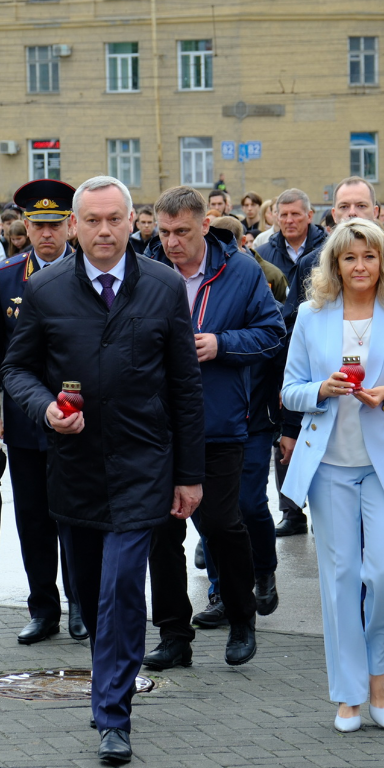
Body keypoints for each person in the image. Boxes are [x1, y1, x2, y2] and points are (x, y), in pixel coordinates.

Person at [0, 176, 205, 765]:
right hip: (77, 466)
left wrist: (189, 474)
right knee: (91, 596)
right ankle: (106, 680)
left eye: (115, 218)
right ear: (74, 226)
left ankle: (113, 714)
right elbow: (18, 371)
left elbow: (186, 388)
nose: (105, 230)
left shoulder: (164, 287)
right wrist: (44, 411)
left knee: (120, 586)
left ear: (131, 219)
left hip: (145, 463)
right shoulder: (45, 290)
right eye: (92, 220)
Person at [280, 218, 384, 732]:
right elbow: (289, 391)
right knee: (341, 578)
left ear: (383, 260)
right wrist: (321, 390)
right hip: (328, 464)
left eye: (369, 256)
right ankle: (349, 691)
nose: (360, 266)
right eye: (349, 257)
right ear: (334, 264)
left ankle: (380, 673)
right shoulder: (310, 314)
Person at [142, 186, 285, 671]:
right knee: (161, 533)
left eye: (182, 231)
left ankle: (242, 618)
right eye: (163, 232)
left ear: (206, 225)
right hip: (157, 426)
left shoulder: (241, 269)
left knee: (224, 525)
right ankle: (173, 636)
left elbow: (271, 333)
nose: (171, 242)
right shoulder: (145, 272)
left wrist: (220, 344)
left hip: (220, 421)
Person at [0, 179, 83, 645]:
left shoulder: (89, 274)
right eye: (38, 225)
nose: (47, 235)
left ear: (70, 226)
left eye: (55, 225)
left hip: (78, 417)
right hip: (23, 420)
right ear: (26, 227)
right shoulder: (6, 277)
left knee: (76, 516)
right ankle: (44, 608)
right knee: (33, 518)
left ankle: (81, 603)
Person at [259, 189, 329, 537]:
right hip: (280, 350)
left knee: (316, 430)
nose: (288, 221)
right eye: (282, 215)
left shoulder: (326, 250)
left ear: (309, 215)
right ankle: (291, 510)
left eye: (295, 215)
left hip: (320, 353)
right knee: (285, 430)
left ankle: (323, 507)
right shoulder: (263, 252)